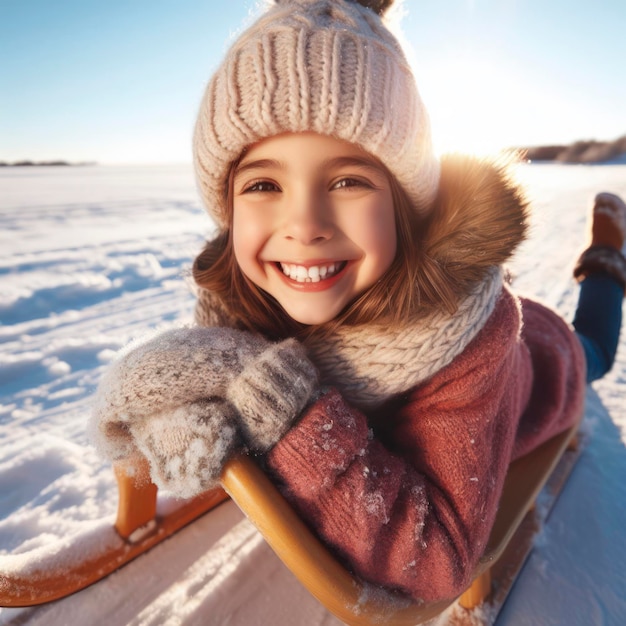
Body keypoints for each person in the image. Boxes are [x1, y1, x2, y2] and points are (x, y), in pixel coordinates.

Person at [91, 0, 626, 603]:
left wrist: (290, 415)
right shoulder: (240, 306)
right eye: (265, 184)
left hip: (546, 363)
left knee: (594, 347)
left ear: (403, 203)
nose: (305, 224)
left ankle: (607, 257)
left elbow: (439, 561)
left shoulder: (467, 340)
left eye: (347, 181)